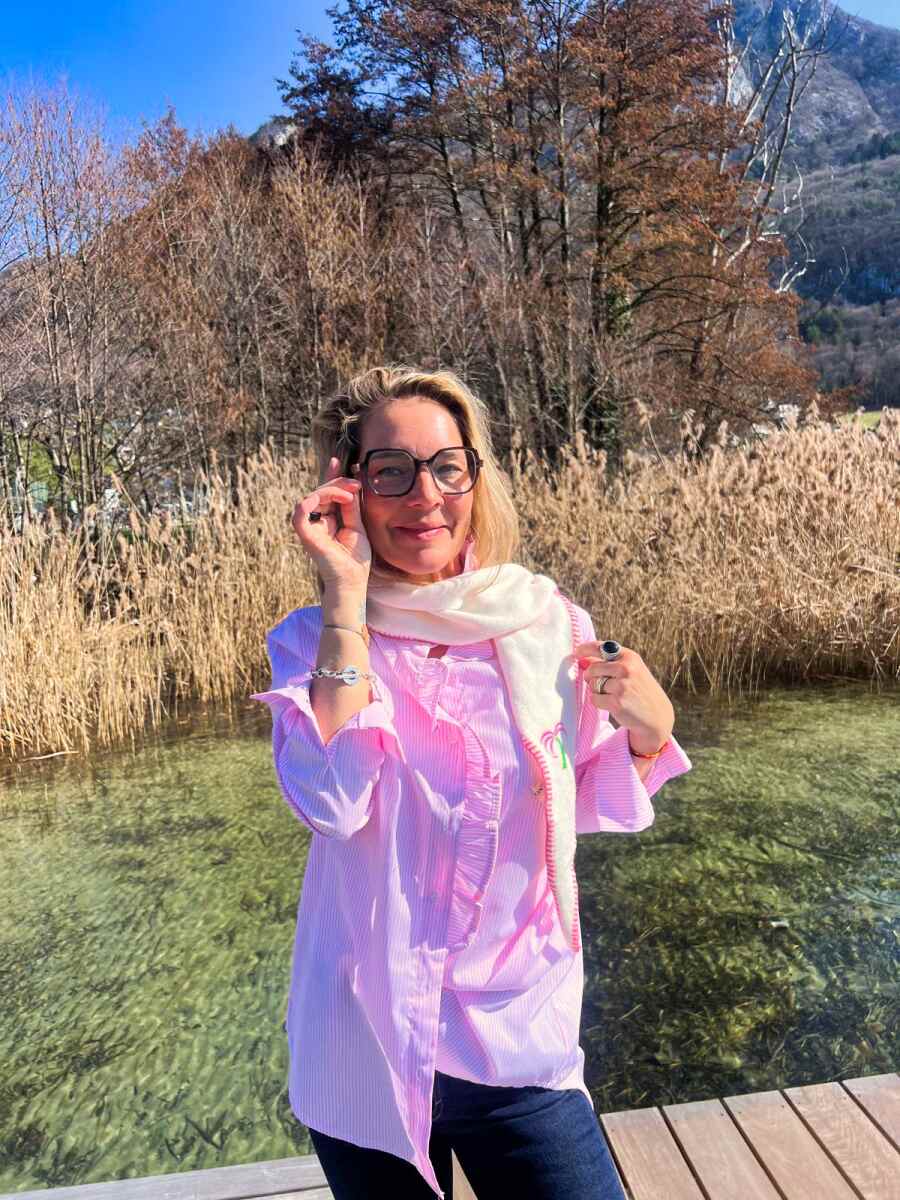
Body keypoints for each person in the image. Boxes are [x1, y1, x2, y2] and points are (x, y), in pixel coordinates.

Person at [251, 365, 692, 1199]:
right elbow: (334, 804)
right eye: (392, 470)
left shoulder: (547, 622)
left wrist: (650, 731)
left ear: (475, 477)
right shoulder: (313, 641)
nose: (425, 496)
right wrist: (345, 598)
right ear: (349, 485)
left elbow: (568, 799)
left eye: (447, 467)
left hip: (515, 1036)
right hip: (365, 1042)